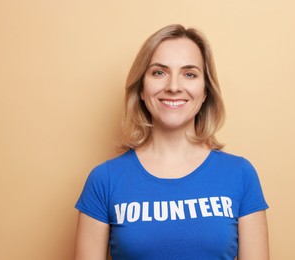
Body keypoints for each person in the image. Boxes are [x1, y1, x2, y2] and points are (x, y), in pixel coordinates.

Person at [74, 24, 269, 260]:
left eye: (189, 74)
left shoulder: (240, 175)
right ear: (142, 90)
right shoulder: (104, 180)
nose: (174, 87)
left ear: (205, 91)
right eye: (159, 72)